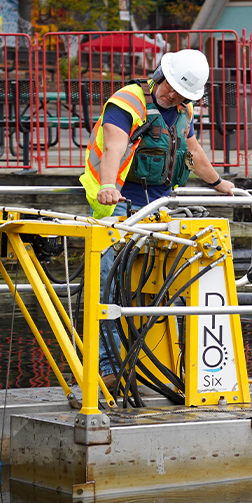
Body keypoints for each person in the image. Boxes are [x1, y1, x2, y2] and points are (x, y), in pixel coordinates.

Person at [78, 49, 234, 392]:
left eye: (182, 94)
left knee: (170, 281)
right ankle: (107, 368)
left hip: (160, 202)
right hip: (118, 200)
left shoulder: (182, 110)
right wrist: (106, 186)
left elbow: (194, 153)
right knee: (109, 283)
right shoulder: (128, 102)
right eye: (171, 89)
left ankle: (168, 363)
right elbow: (113, 149)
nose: (173, 96)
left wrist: (220, 183)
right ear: (160, 75)